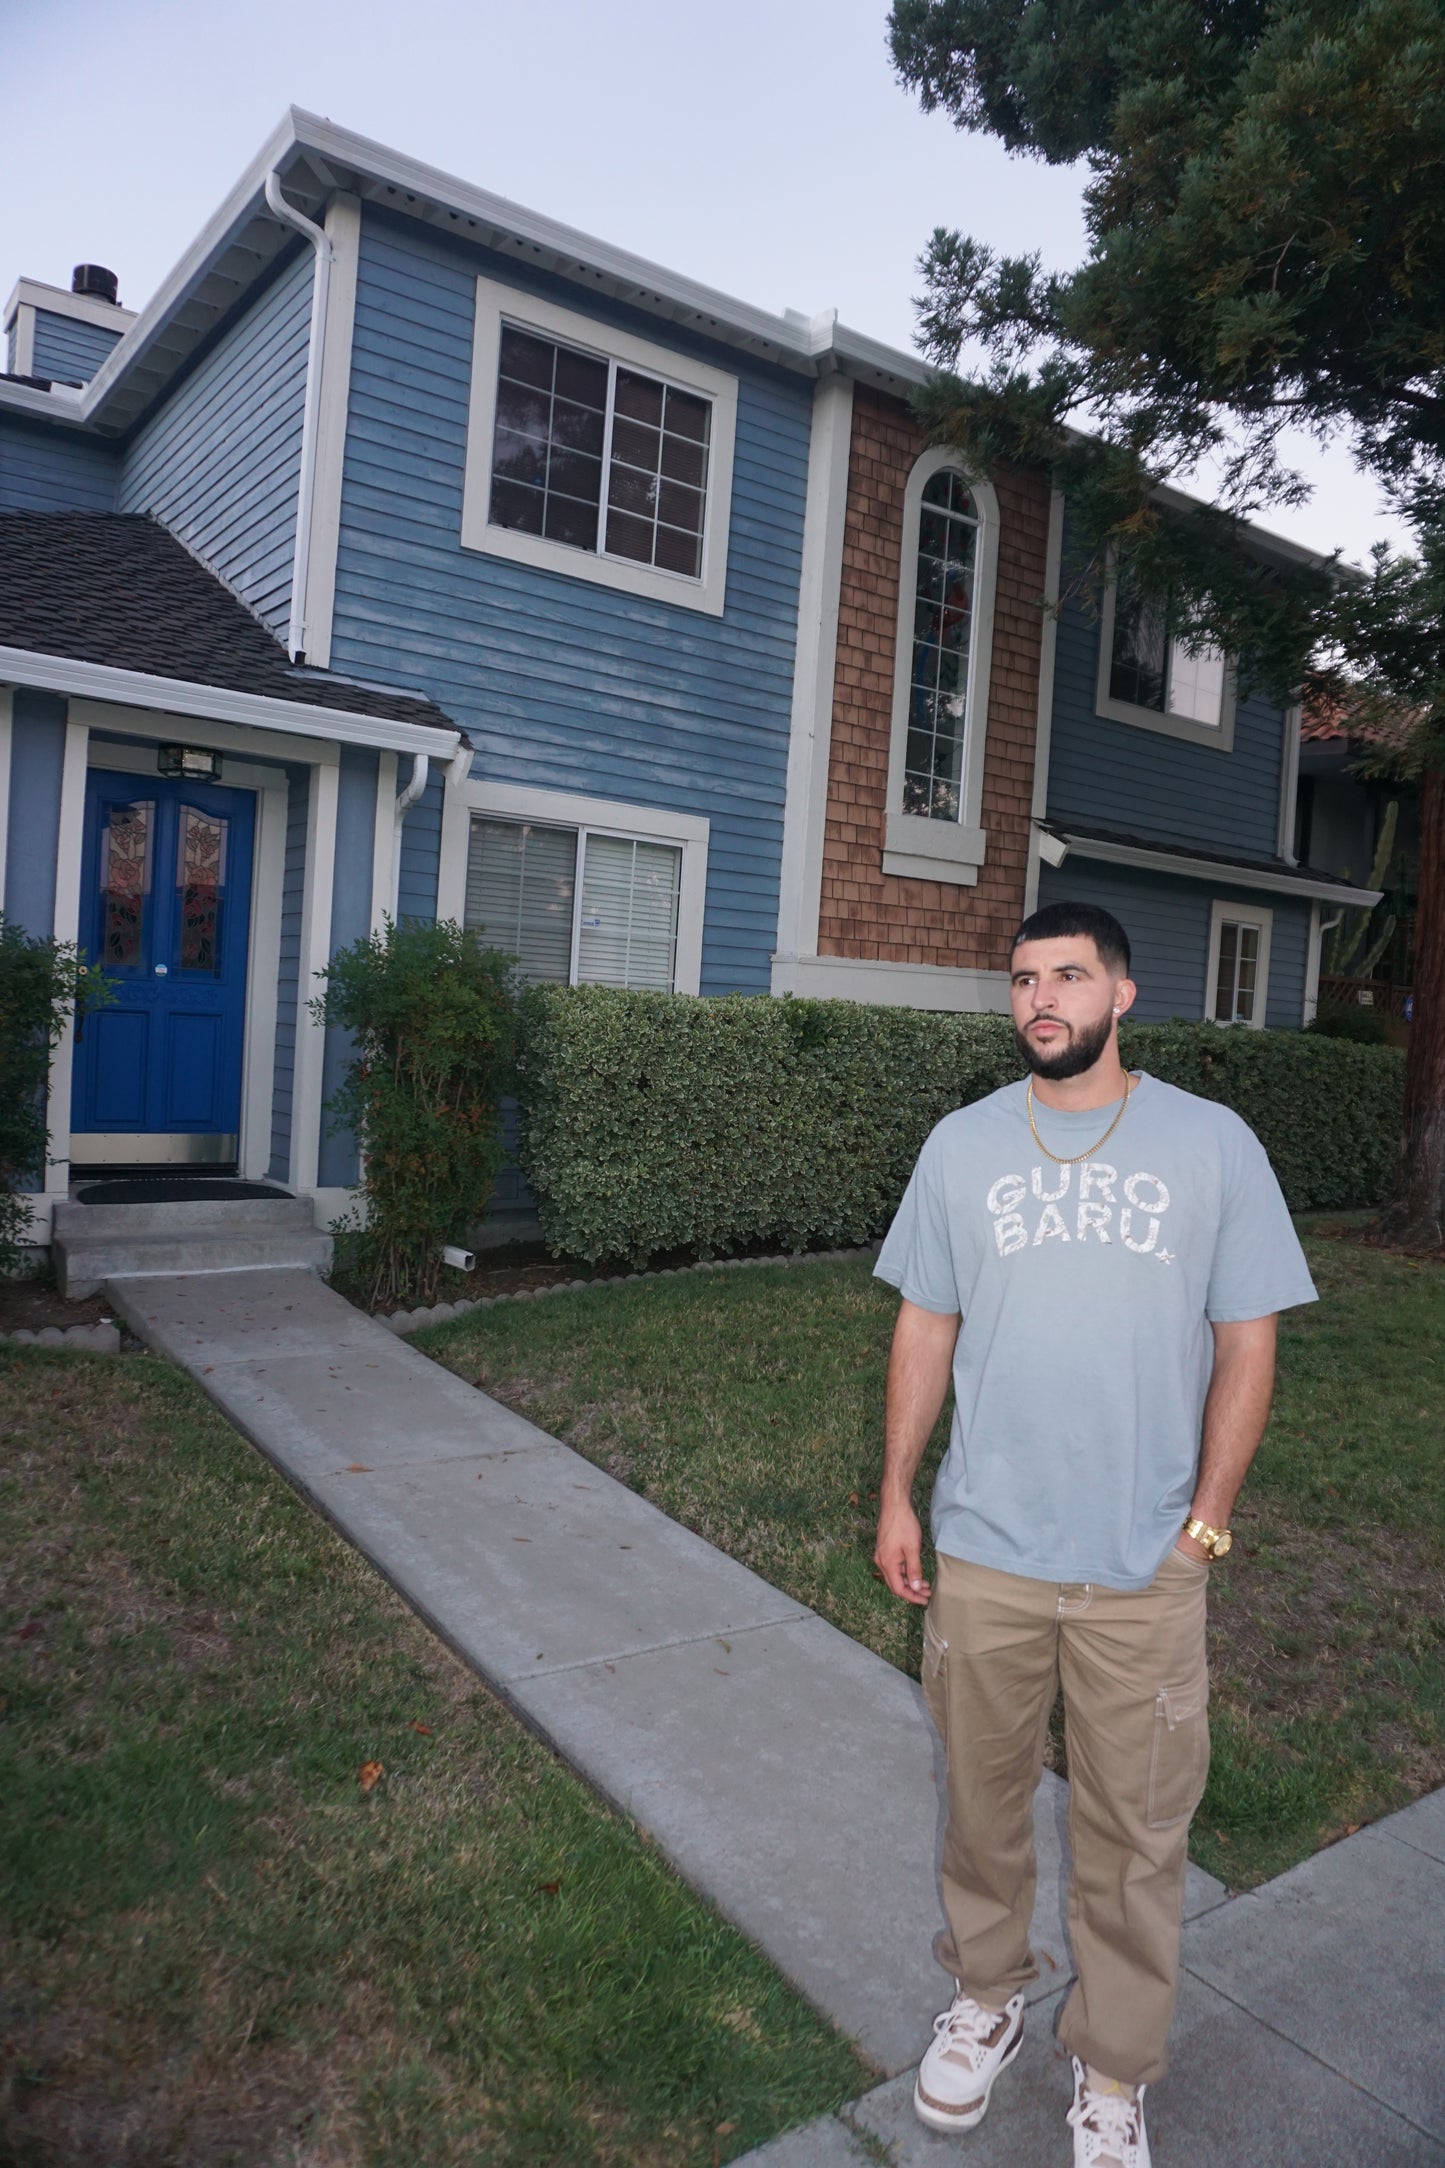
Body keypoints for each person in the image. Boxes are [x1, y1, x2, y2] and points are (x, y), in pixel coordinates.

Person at [872, 901, 1317, 2168]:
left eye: (1067, 975)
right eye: (1021, 979)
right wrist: (899, 1491)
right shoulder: (960, 1147)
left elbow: (1247, 1337)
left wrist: (1208, 1526)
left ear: (1121, 995)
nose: (1039, 999)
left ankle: (1113, 2066)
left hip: (1142, 1568)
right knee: (980, 1801)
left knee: (1133, 1833)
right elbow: (923, 1325)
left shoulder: (1210, 1144)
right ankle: (987, 1991)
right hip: (986, 1548)